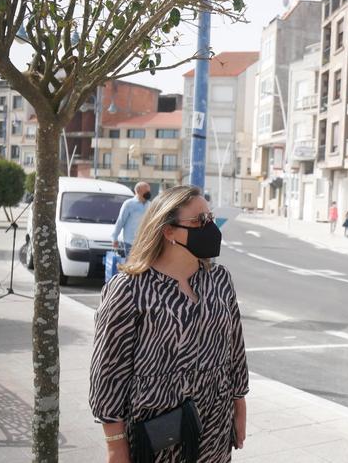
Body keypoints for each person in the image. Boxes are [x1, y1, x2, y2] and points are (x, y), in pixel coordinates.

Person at [90, 185, 248, 463]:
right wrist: (115, 445)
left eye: (210, 218)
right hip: (158, 429)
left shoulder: (220, 280)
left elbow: (235, 348)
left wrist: (239, 407)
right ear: (168, 231)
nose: (210, 227)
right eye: (200, 221)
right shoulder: (129, 289)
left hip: (215, 424)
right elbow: (108, 372)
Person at [112, 181, 151, 255]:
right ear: (138, 191)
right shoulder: (129, 204)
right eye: (146, 191)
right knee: (130, 264)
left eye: (149, 190)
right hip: (130, 242)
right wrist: (115, 238)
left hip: (144, 242)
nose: (149, 193)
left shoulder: (150, 205)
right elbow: (121, 221)